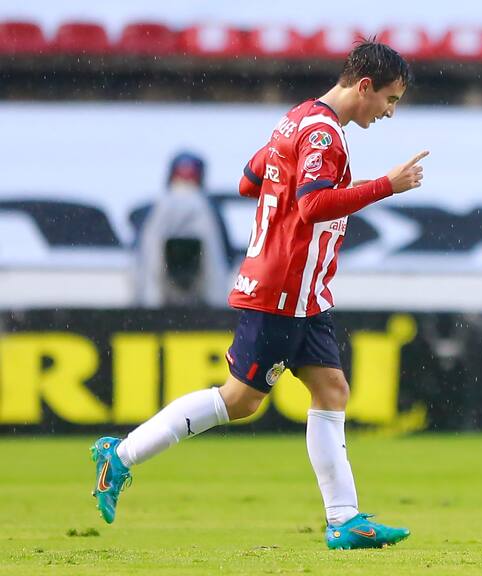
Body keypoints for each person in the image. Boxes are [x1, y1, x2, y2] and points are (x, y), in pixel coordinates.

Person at [90, 40, 428, 550]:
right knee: (239, 400)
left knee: (332, 390)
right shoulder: (322, 135)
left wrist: (293, 191)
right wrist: (387, 185)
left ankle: (345, 520)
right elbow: (313, 206)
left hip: (305, 292)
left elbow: (251, 181)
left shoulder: (294, 121)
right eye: (390, 99)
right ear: (365, 86)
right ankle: (120, 456)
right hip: (282, 289)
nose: (390, 111)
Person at [134, 151, 231, 308]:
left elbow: (145, 261)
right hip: (202, 308)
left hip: (161, 307)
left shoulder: (160, 207)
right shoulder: (205, 208)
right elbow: (220, 265)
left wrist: (147, 306)